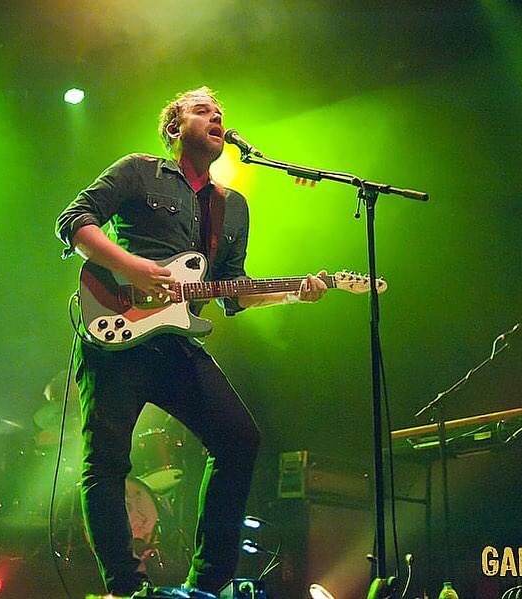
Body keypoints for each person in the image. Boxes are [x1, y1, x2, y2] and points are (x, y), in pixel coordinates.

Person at [56, 86, 328, 597]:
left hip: (176, 342)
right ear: (175, 128)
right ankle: (123, 586)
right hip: (115, 327)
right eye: (203, 110)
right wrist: (134, 267)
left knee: (239, 440)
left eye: (220, 111)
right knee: (107, 460)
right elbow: (72, 223)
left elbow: (233, 293)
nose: (217, 116)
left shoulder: (233, 207)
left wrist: (294, 293)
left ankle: (207, 584)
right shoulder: (139, 170)